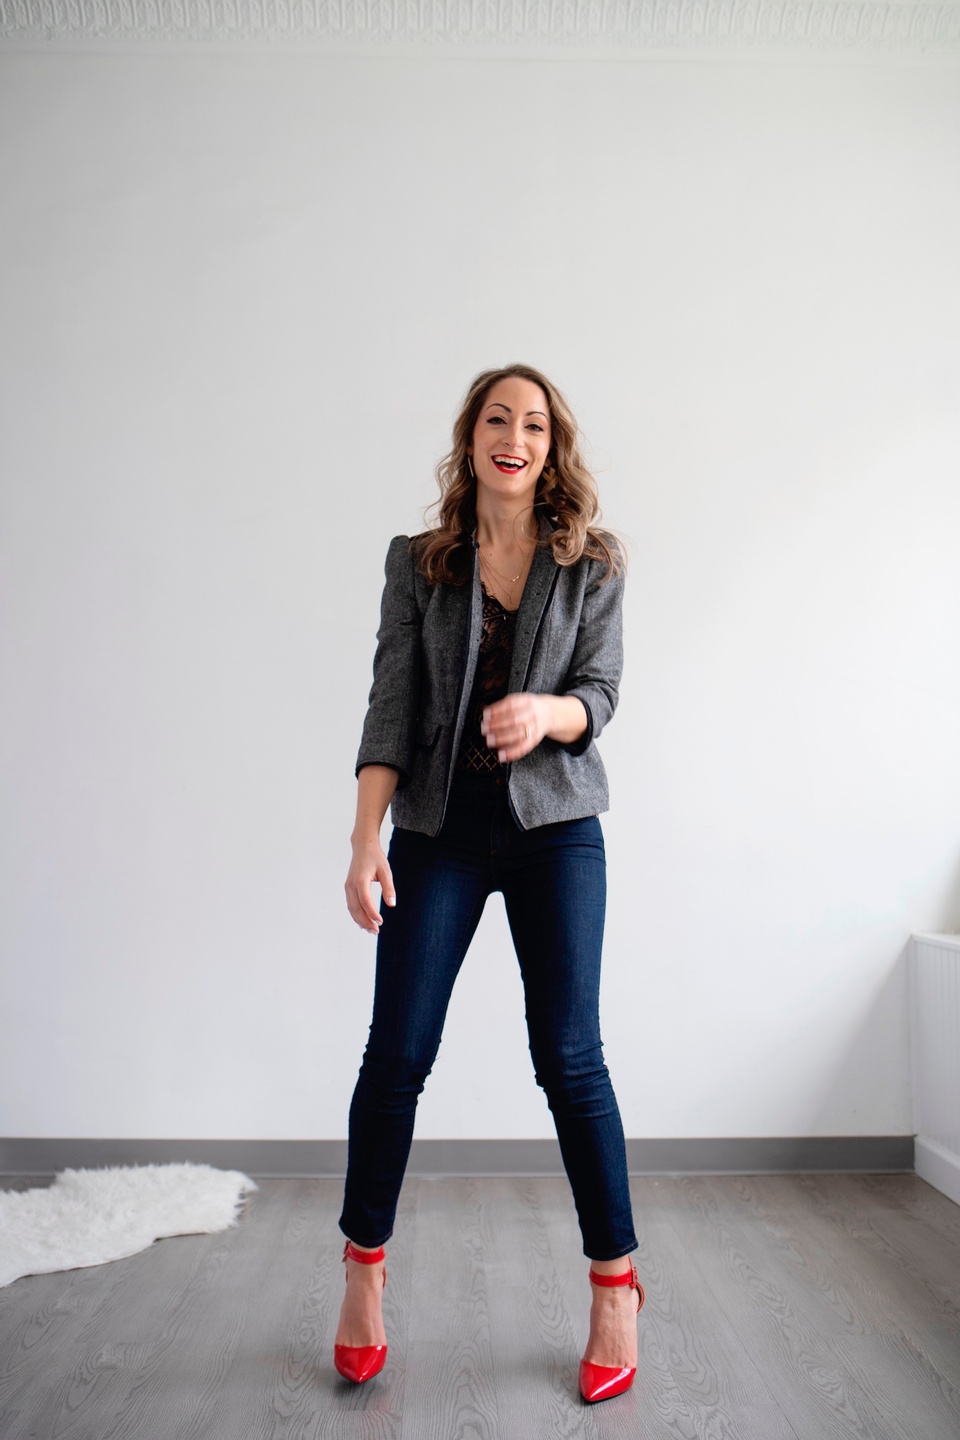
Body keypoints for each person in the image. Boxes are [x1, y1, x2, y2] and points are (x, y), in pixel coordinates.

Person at [334, 363, 643, 1404]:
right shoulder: (419, 563)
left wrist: (547, 713)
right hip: (441, 832)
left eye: (535, 424)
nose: (516, 436)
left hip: (556, 832)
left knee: (570, 1057)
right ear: (472, 438)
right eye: (498, 419)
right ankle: (363, 1273)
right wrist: (365, 840)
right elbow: (389, 707)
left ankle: (615, 1287)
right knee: (397, 1055)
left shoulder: (592, 561)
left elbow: (602, 692)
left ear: (552, 449)